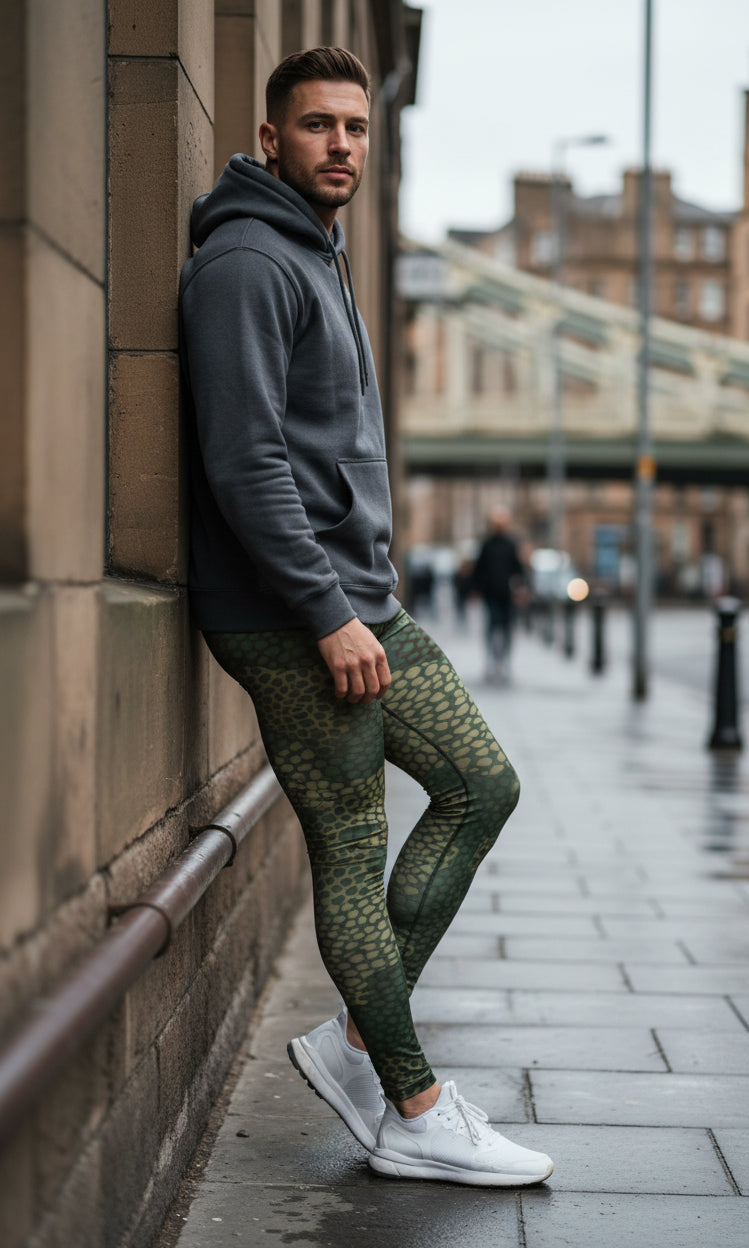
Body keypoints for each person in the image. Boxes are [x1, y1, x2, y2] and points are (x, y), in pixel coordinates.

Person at [179, 46, 552, 1187]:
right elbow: (246, 464)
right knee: (350, 842)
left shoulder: (312, 249)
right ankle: (411, 1105)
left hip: (354, 600)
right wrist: (328, 612)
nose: (341, 142)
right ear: (271, 135)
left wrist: (356, 600)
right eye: (317, 126)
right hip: (299, 614)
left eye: (355, 126)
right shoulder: (248, 260)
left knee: (482, 784)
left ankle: (355, 1043)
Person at [472, 507, 526, 683]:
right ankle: (492, 662)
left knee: (507, 630)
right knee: (492, 629)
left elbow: (519, 569)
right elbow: (479, 569)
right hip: (491, 595)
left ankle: (505, 663)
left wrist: (520, 588)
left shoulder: (511, 544)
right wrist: (477, 589)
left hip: (506, 595)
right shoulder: (487, 544)